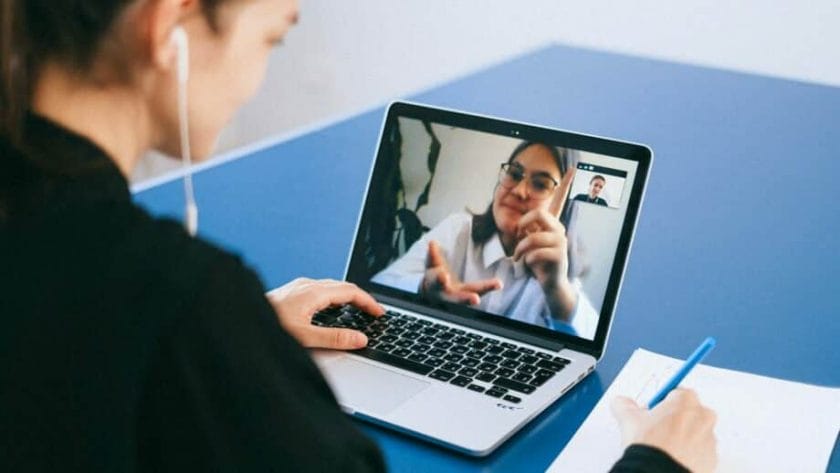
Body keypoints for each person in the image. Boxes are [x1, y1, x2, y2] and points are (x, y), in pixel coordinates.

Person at [0, 0, 717, 472]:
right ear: (170, 25)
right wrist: (656, 463)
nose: (257, 76)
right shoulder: (186, 306)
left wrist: (247, 331)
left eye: (541, 184)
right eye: (271, 37)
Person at [373, 141, 599, 338]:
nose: (519, 190)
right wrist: (423, 288)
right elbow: (381, 284)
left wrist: (556, 288)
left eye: (540, 184)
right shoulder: (459, 229)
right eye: (514, 174)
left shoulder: (557, 276)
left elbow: (590, 345)